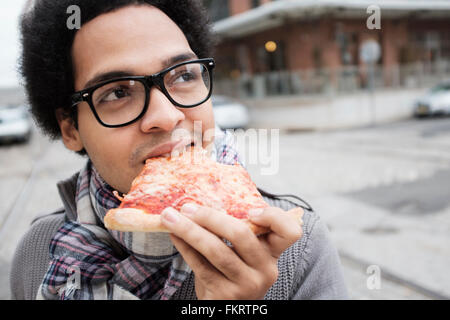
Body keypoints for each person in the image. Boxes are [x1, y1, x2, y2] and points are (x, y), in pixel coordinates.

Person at [11, 0, 348, 300]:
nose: (167, 116)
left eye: (184, 75)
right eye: (116, 92)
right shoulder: (35, 256)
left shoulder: (297, 248)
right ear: (71, 129)